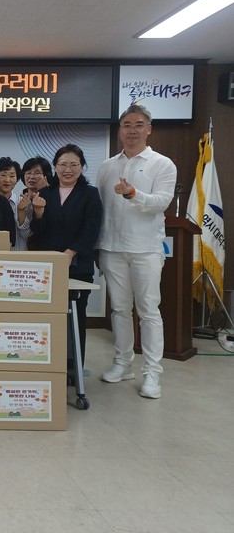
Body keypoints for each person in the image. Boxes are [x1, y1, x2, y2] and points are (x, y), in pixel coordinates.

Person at [97, 104, 177, 399]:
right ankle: (123, 363)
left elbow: (161, 202)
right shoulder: (107, 166)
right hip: (112, 248)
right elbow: (100, 209)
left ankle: (152, 373)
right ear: (120, 130)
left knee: (148, 311)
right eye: (126, 125)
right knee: (119, 309)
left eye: (138, 124)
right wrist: (97, 246)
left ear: (149, 129)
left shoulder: (162, 164)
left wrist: (133, 194)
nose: (132, 130)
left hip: (146, 250)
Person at [30, 144, 103, 368]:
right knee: (46, 319)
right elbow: (37, 232)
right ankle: (45, 366)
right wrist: (38, 213)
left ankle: (73, 369)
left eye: (74, 165)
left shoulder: (90, 194)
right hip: (48, 268)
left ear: (82, 167)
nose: (68, 170)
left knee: (76, 317)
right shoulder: (45, 193)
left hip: (78, 266)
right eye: (62, 164)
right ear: (55, 167)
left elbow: (92, 229)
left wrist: (70, 252)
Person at [0, 156, 30, 250]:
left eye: (12, 176)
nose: (7, 180)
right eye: (3, 175)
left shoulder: (23, 202)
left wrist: (21, 211)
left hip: (19, 254)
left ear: (17, 180)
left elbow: (26, 235)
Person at [18, 156, 53, 250]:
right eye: (28, 173)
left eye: (37, 173)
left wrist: (44, 191)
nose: (32, 176)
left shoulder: (54, 198)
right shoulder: (20, 200)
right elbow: (25, 235)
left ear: (46, 176)